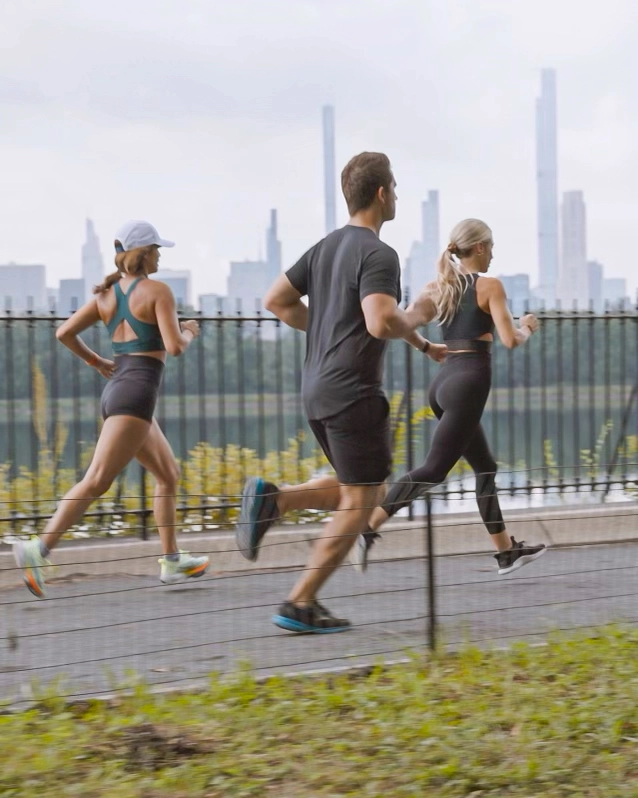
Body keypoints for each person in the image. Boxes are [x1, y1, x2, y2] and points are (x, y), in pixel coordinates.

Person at [235, 152, 447, 633]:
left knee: (360, 488)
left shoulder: (325, 248)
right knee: (361, 504)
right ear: (381, 193)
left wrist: (416, 343)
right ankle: (300, 602)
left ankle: (277, 500)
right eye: (394, 186)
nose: (396, 194)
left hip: (317, 387)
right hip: (353, 390)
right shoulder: (378, 254)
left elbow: (276, 301)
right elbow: (379, 320)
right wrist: (421, 312)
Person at [13, 220, 209, 598]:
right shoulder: (158, 291)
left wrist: (97, 362)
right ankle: (38, 548)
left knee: (168, 474)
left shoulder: (106, 295)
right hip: (134, 398)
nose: (160, 255)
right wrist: (188, 330)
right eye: (157, 249)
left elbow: (63, 332)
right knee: (98, 479)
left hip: (122, 393)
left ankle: (171, 561)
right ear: (144, 252)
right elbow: (175, 347)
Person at [351, 218, 547, 576]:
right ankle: (366, 528)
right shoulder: (490, 286)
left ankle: (506, 552)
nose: (492, 256)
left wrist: (422, 344)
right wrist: (527, 327)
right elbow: (509, 340)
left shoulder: (439, 288)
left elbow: (402, 323)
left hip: (443, 385)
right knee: (434, 470)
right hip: (467, 384)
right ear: (480, 248)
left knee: (485, 466)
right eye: (491, 247)